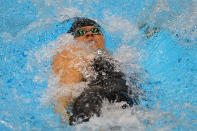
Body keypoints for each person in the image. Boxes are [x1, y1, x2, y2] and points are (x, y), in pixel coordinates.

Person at [52, 17, 138, 125]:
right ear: (74, 40)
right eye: (82, 32)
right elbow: (67, 88)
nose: (90, 34)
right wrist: (62, 112)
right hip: (93, 99)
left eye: (95, 31)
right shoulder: (73, 52)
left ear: (103, 38)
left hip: (120, 96)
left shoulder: (113, 55)